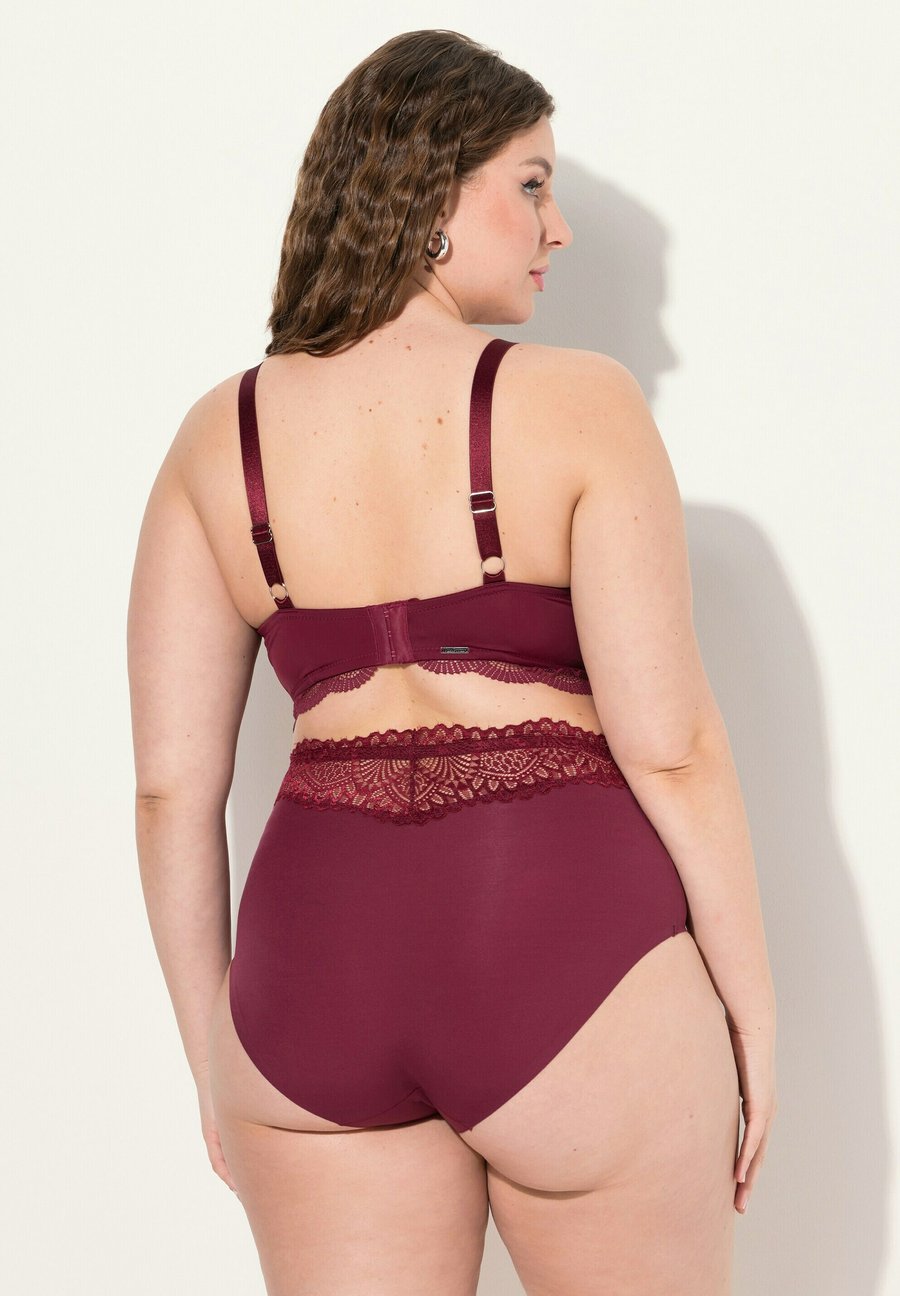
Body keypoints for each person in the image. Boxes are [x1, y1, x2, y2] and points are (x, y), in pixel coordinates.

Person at [127, 28, 777, 1296]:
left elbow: (167, 791)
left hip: (309, 987)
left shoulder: (217, 438)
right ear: (429, 194)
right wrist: (751, 1004)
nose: (556, 228)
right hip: (567, 953)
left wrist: (215, 1050)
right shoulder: (582, 403)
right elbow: (672, 747)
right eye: (530, 184)